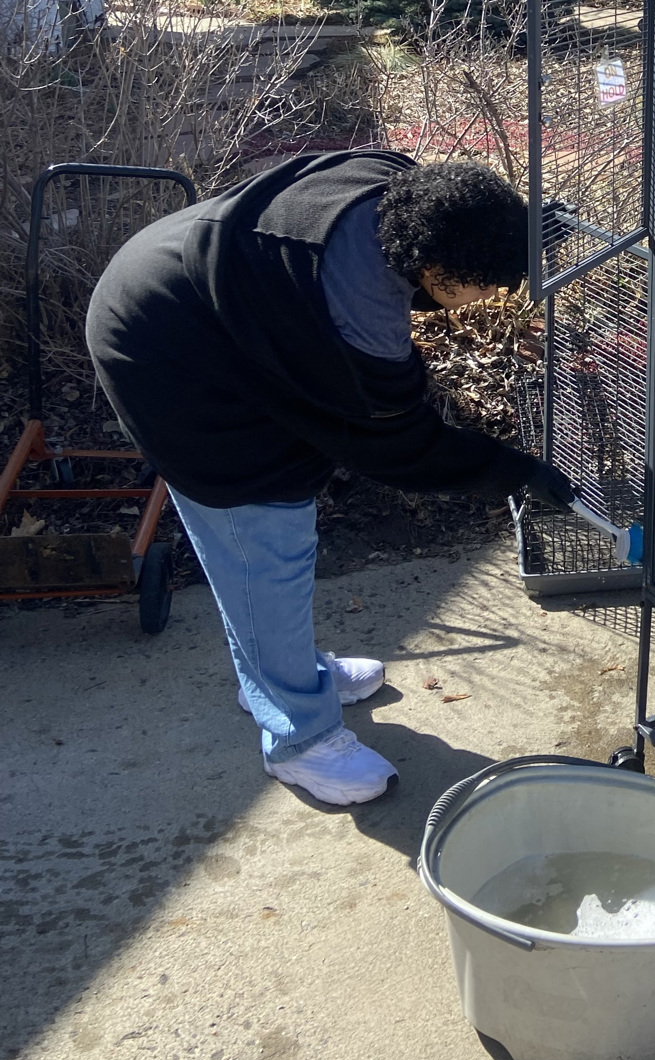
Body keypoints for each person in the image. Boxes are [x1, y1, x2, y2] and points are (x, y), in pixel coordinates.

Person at [86, 150, 574, 806]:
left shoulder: (400, 189)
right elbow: (402, 447)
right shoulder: (358, 316)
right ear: (435, 270)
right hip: (164, 351)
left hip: (195, 287)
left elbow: (465, 226)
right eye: (486, 286)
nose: (489, 297)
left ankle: (283, 673)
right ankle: (298, 738)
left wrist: (523, 230)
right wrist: (514, 471)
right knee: (263, 533)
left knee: (274, 533)